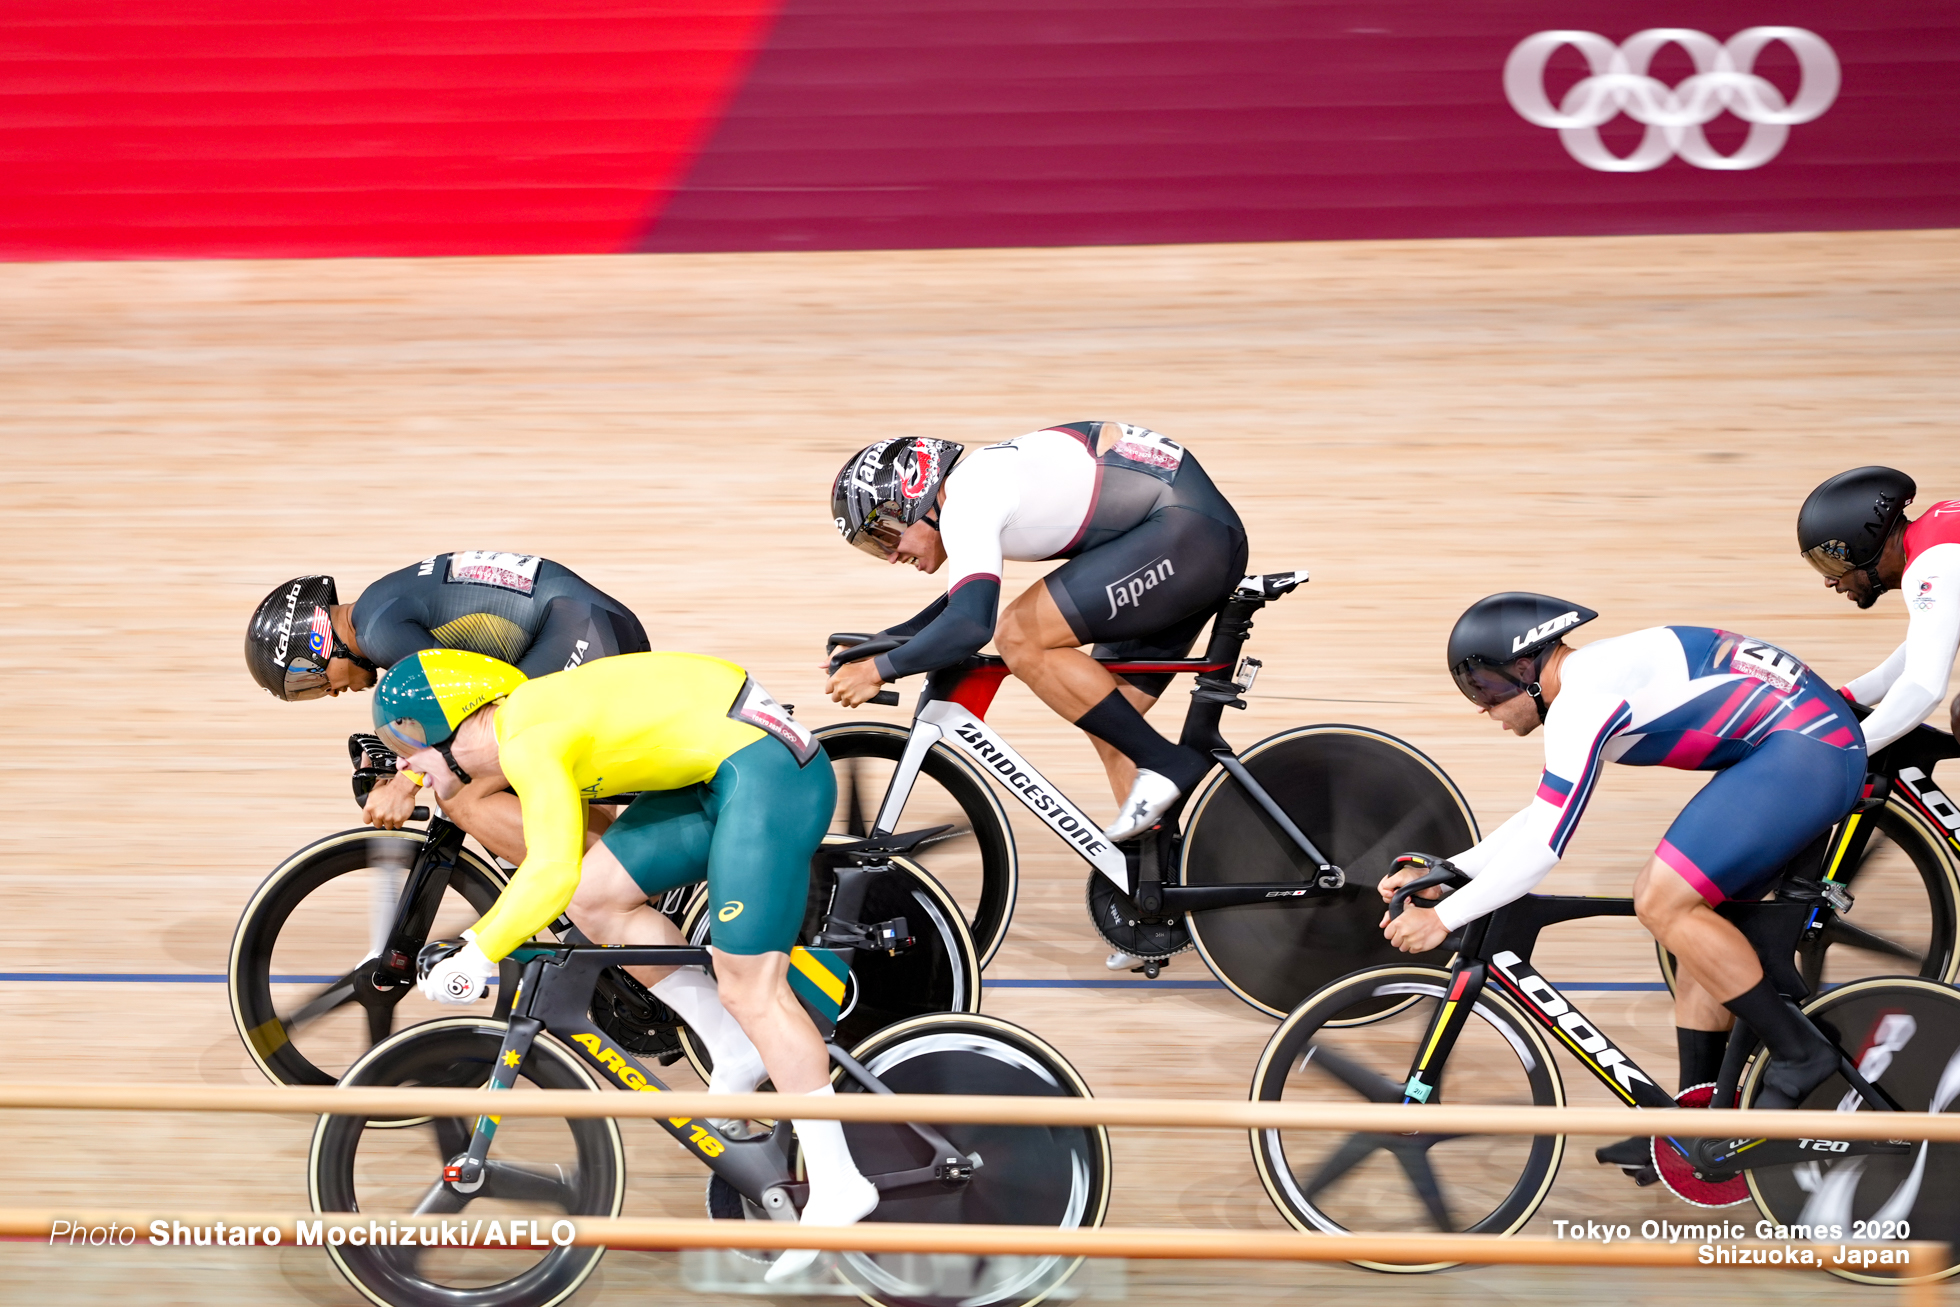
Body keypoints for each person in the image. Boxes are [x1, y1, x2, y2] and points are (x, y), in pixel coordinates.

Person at [375, 648, 871, 1278]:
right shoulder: (522, 723)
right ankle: (731, 1043)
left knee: (754, 991)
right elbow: (566, 875)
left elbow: (549, 866)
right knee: (595, 896)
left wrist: (480, 948)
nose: (404, 768)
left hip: (770, 778)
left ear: (458, 727)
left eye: (407, 749)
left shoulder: (530, 739)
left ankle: (839, 1183)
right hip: (722, 771)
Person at [1379, 593, 1867, 1176]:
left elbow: (1543, 848)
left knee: (1659, 900)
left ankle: (1801, 1051)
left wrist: (1443, 919)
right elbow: (1545, 811)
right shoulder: (1590, 681)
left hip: (1807, 751)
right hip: (1796, 749)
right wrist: (1455, 871)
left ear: (1527, 668)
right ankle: (1692, 1130)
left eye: (1485, 686)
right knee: (1693, 937)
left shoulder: (1585, 700)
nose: (1483, 707)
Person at [824, 425, 1248, 845]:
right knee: (1108, 716)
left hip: (1186, 535)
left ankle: (1167, 763)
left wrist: (878, 671)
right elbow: (959, 605)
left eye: (884, 536)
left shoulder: (968, 501)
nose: (891, 555)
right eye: (875, 548)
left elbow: (971, 624)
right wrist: (880, 645)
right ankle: (1161, 873)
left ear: (915, 499)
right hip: (1184, 536)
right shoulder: (978, 483)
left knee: (1019, 634)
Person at [244, 553, 649, 862]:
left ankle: (599, 884)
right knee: (545, 783)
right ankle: (628, 899)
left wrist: (406, 785)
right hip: (593, 626)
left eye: (309, 679)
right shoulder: (377, 609)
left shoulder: (377, 632)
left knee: (461, 793)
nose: (327, 692)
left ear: (318, 640)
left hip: (582, 631)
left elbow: (451, 714)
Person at [1797, 467, 1960, 751]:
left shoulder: (1930, 568)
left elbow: (1923, 688)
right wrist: (1838, 700)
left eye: (1832, 562)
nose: (1829, 580)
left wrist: (1838, 755)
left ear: (1865, 544)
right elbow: (1910, 661)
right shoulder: (1935, 533)